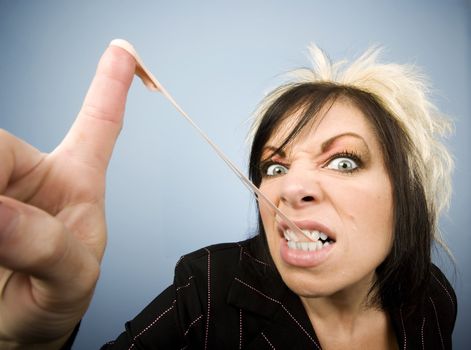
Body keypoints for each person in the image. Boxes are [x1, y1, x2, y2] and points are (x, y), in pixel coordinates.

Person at [0, 42, 456, 349]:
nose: (290, 188)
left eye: (343, 162)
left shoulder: (431, 297)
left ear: (408, 193)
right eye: (274, 167)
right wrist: (28, 342)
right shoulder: (209, 289)